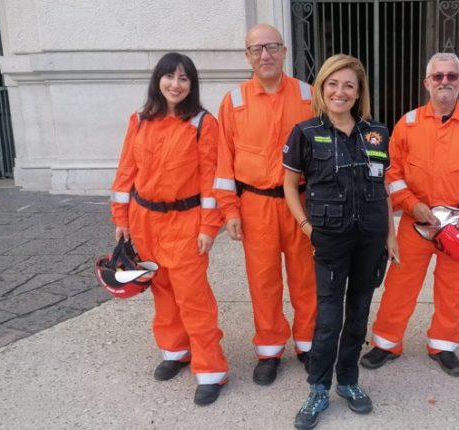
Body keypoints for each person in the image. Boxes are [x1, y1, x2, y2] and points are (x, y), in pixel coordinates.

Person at [359, 53, 459, 377]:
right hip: (417, 221)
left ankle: (443, 345)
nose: (445, 82)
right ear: (427, 83)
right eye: (438, 76)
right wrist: (410, 203)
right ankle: (386, 343)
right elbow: (391, 172)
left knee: (453, 288)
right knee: (400, 284)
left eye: (451, 76)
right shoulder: (408, 124)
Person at [282, 54, 398, 430]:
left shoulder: (376, 133)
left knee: (359, 314)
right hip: (329, 238)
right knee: (329, 318)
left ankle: (348, 381)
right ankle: (318, 388)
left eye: (349, 85)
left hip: (371, 238)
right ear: (322, 87)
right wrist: (306, 227)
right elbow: (289, 185)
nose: (340, 91)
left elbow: (384, 188)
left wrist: (391, 235)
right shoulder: (305, 132)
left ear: (359, 92)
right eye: (333, 83)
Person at [110, 52, 229, 406]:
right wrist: (121, 218)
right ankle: (175, 350)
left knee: (193, 298)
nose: (175, 85)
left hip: (186, 223)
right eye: (169, 76)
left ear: (192, 85)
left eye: (183, 78)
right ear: (157, 80)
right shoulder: (139, 121)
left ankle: (211, 369)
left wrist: (209, 227)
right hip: (145, 221)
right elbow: (126, 172)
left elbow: (212, 180)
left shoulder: (203, 124)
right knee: (161, 291)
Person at [213, 24, 317, 385]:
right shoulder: (234, 101)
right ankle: (270, 350)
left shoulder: (309, 96)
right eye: (256, 49)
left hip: (300, 203)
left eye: (272, 47)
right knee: (263, 281)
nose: (265, 55)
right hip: (255, 206)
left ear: (285, 51)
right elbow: (223, 161)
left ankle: (308, 344)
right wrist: (229, 210)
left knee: (306, 278)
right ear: (247, 56)